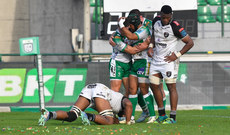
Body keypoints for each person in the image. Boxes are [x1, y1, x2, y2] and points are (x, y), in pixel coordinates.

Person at [147, 5, 194, 124]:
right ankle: (162, 114)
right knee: (153, 85)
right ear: (160, 15)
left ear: (171, 16)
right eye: (163, 17)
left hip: (169, 61)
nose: (165, 20)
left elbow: (190, 42)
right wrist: (151, 47)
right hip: (156, 60)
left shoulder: (175, 26)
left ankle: (172, 118)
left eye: (167, 18)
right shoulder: (156, 21)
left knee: (171, 87)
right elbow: (154, 35)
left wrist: (177, 55)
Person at [118, 13, 156, 123]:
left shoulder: (143, 30)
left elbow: (132, 37)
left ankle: (152, 115)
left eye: (130, 25)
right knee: (132, 90)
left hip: (144, 62)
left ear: (134, 24)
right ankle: (132, 117)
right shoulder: (134, 30)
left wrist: (121, 24)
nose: (129, 27)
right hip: (135, 62)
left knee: (144, 89)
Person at [38, 83, 133, 126]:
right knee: (109, 121)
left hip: (89, 88)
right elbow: (129, 104)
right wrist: (128, 121)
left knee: (72, 116)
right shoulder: (121, 99)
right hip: (100, 90)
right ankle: (87, 116)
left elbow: (113, 118)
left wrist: (116, 120)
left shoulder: (116, 107)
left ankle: (49, 114)